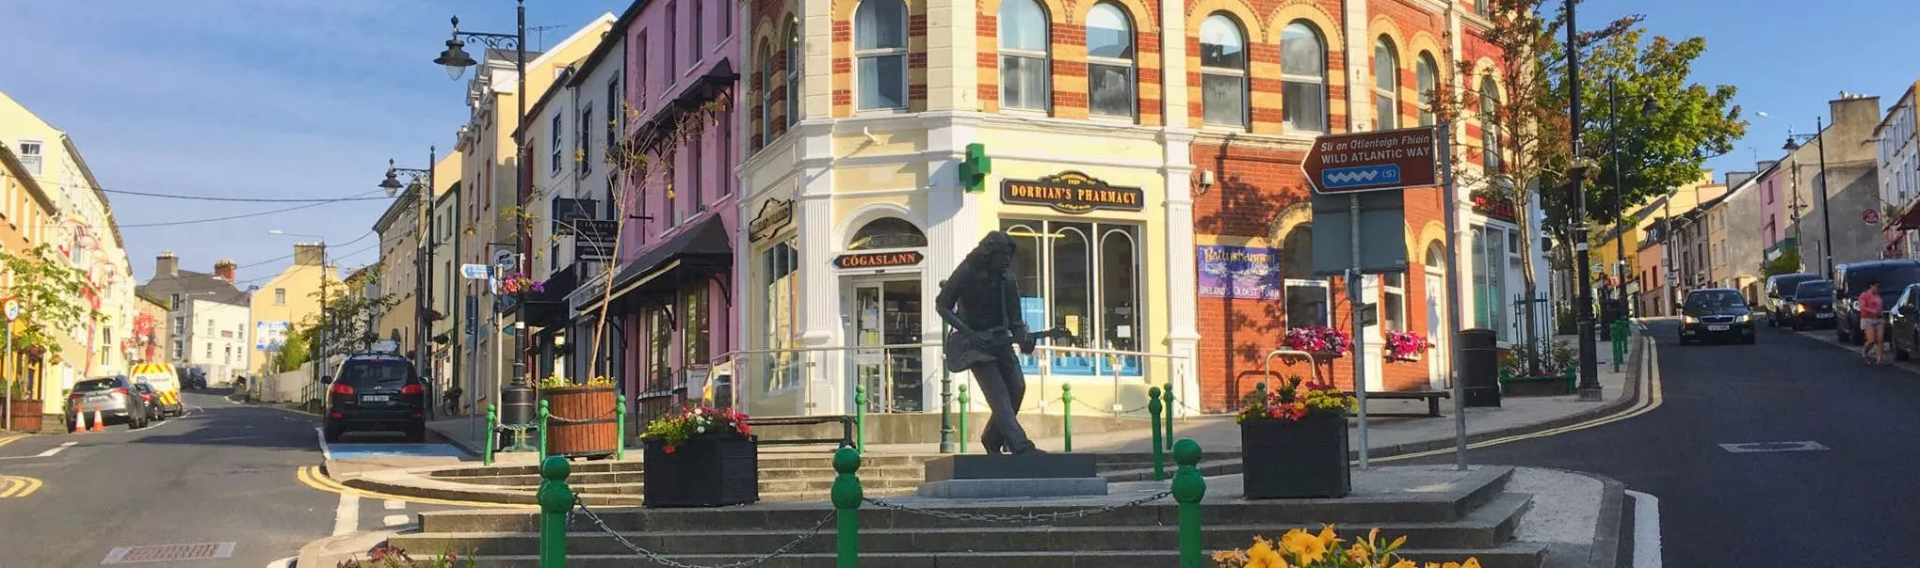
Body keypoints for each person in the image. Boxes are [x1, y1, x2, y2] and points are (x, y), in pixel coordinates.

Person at [935, 232, 1044, 455]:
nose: (1006, 260)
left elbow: (1015, 320)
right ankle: (1021, 447)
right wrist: (968, 332)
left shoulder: (1008, 280)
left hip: (999, 339)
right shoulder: (966, 272)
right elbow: (943, 305)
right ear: (989, 254)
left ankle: (992, 438)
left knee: (1017, 387)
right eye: (1002, 255)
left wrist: (1025, 341)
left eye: (1008, 256)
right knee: (999, 396)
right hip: (973, 343)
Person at [1860, 279, 1886, 365]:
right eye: (1876, 286)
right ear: (1871, 286)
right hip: (1868, 319)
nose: (1877, 288)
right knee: (1871, 340)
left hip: (1879, 318)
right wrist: (1871, 310)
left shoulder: (1878, 296)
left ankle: (1879, 359)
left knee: (1880, 339)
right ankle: (1864, 352)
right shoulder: (1865, 295)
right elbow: (1862, 306)